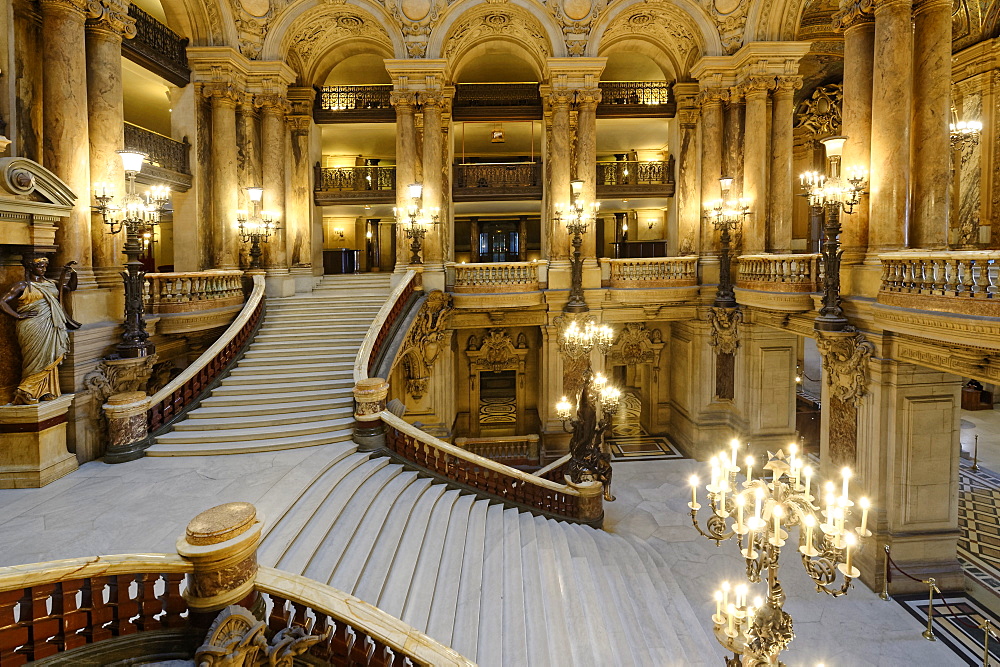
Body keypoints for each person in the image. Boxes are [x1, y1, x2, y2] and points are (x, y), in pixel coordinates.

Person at [1, 255, 80, 404]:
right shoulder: (22, 285)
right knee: (34, 359)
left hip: (50, 325)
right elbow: (2, 302)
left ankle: (46, 390)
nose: (43, 269)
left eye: (45, 266)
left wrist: (73, 273)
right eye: (40, 266)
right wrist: (18, 315)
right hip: (31, 326)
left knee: (50, 355)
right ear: (31, 267)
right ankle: (25, 390)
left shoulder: (51, 283)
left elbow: (70, 287)